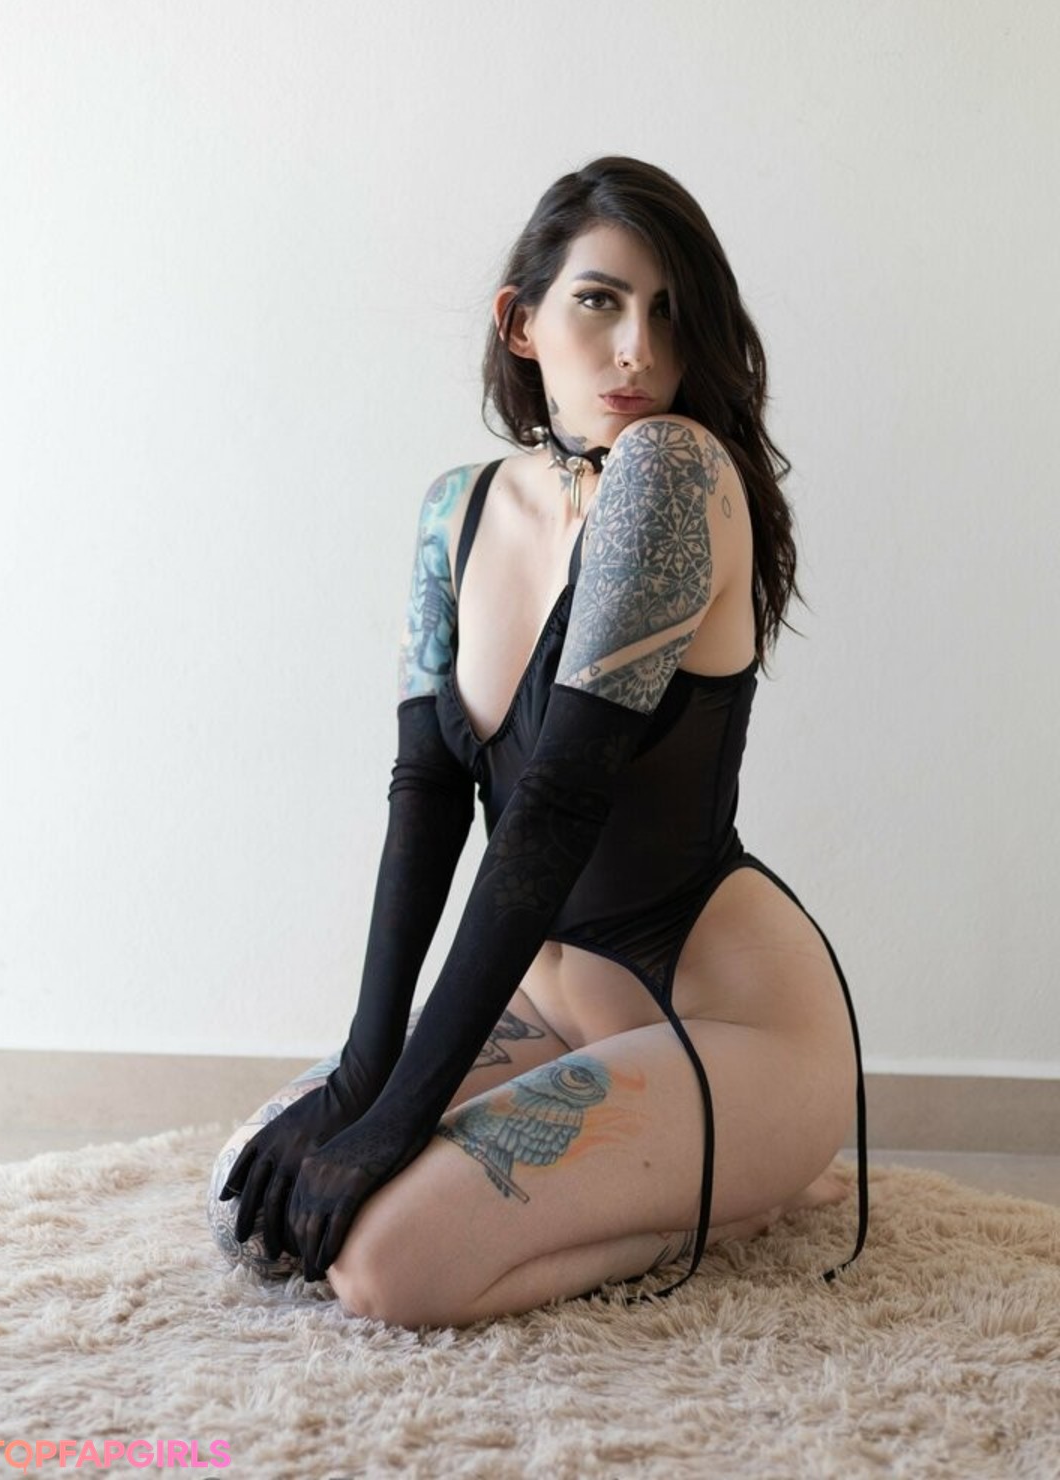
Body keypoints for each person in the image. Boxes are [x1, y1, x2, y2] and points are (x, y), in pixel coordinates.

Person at [208, 155, 868, 1329]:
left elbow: (558, 799)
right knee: (251, 1207)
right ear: (521, 323)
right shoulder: (457, 509)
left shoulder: (671, 472)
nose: (638, 350)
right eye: (599, 301)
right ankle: (683, 1177)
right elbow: (425, 791)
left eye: (670, 313)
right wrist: (364, 1079)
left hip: (730, 1024)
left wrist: (401, 1119)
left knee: (384, 1268)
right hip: (552, 1005)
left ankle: (743, 1192)